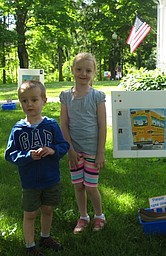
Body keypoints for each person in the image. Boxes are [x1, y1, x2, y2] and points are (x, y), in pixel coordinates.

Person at [4, 80, 69, 255]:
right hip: (30, 181)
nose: (29, 104)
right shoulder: (18, 129)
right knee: (30, 213)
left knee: (48, 209)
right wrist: (27, 156)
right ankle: (30, 246)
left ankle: (45, 237)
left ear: (44, 101)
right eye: (24, 101)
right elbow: (9, 154)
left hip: (51, 178)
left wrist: (52, 149)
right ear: (20, 103)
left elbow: (64, 146)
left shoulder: (51, 125)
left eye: (34, 100)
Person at [59, 52, 107, 234]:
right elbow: (63, 125)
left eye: (88, 70)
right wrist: (70, 150)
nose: (83, 73)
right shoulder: (65, 96)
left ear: (94, 72)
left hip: (92, 151)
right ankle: (83, 216)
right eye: (79, 69)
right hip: (74, 151)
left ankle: (99, 216)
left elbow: (103, 126)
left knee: (91, 186)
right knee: (78, 186)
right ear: (72, 70)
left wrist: (100, 152)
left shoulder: (97, 96)